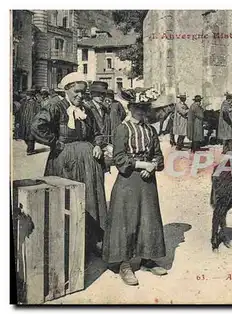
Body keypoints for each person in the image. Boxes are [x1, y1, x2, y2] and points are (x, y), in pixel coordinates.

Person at [30, 72, 107, 257]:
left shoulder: (87, 109)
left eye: (83, 92)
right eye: (76, 92)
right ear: (67, 89)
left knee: (90, 201)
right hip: (65, 163)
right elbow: (36, 126)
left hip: (89, 164)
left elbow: (98, 132)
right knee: (66, 201)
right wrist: (55, 143)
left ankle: (90, 243)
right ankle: (67, 245)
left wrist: (97, 145)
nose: (80, 96)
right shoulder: (55, 106)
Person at [102, 89, 167, 286]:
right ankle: (124, 264)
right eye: (137, 107)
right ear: (130, 108)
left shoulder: (150, 130)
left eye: (144, 108)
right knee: (127, 220)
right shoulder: (122, 129)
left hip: (147, 182)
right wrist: (141, 165)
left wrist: (153, 166)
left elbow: (159, 155)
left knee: (149, 219)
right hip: (128, 180)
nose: (141, 111)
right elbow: (119, 157)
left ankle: (147, 258)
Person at [17, 88, 41, 155]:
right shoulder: (25, 102)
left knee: (31, 137)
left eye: (28, 95)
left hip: (32, 122)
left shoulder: (36, 104)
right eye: (26, 95)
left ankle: (30, 150)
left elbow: (39, 113)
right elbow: (21, 111)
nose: (26, 96)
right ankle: (30, 148)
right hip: (25, 122)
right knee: (25, 136)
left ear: (31, 96)